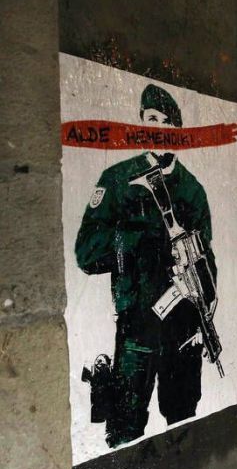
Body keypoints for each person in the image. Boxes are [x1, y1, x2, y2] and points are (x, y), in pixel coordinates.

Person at [75, 84, 217, 448]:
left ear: (177, 131)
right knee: (125, 429)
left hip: (183, 330)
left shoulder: (192, 190)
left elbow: (207, 256)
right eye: (147, 120)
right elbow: (87, 252)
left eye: (162, 121)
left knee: (182, 422)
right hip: (137, 328)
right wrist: (138, 240)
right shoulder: (118, 182)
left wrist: (207, 303)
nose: (152, 127)